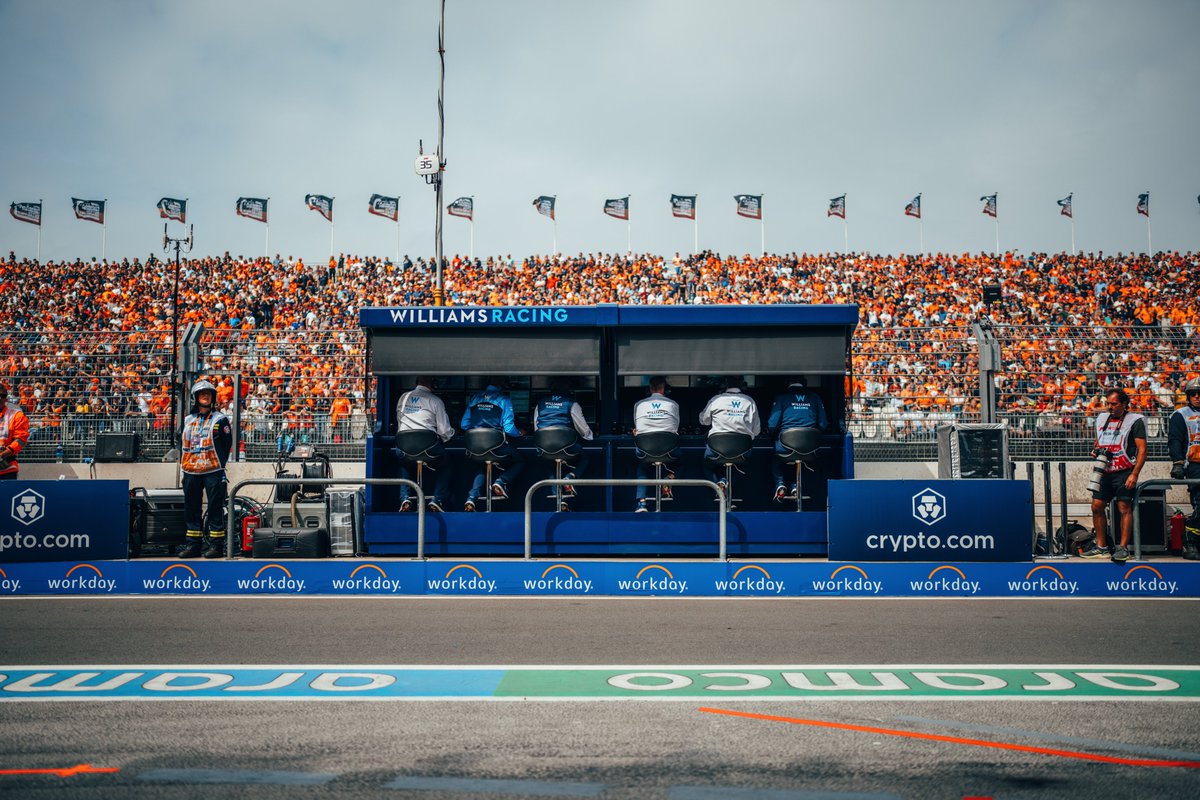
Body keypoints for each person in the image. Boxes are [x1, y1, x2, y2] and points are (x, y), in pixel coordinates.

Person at [1081, 388, 1147, 563]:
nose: (1110, 407)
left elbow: (1142, 450)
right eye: (1108, 403)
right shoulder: (1102, 418)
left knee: (1123, 507)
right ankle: (1101, 547)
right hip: (1105, 471)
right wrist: (1096, 450)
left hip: (1125, 471)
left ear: (1124, 404)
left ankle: (1123, 548)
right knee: (1096, 506)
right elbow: (1100, 440)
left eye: (1114, 404)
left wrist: (1135, 473)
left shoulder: (1135, 420)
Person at [179, 379, 233, 559]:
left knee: (215, 509)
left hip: (213, 472)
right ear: (195, 398)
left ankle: (216, 546)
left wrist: (220, 465)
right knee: (191, 509)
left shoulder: (220, 419)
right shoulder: (188, 420)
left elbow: (227, 444)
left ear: (213, 398)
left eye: (208, 394)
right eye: (202, 394)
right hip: (191, 472)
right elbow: (181, 442)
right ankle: (193, 545)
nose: (205, 396)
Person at [460, 378, 524, 511]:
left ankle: (471, 498)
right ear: (501, 383)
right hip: (496, 447)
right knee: (520, 460)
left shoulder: (475, 398)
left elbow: (464, 424)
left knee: (483, 464)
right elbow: (508, 428)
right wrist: (520, 433)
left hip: (474, 448)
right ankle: (501, 481)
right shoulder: (503, 399)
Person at [394, 376, 455, 513]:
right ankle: (437, 499)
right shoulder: (435, 401)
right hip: (428, 449)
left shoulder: (403, 397)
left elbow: (400, 421)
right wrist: (452, 434)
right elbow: (444, 431)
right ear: (433, 384)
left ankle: (405, 497)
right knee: (447, 464)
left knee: (403, 462)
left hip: (404, 448)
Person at [532, 378, 593, 511]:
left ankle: (559, 499)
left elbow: (537, 428)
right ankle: (570, 477)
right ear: (569, 390)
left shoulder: (540, 404)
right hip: (567, 447)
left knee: (547, 462)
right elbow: (584, 430)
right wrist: (591, 436)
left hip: (544, 448)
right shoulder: (572, 404)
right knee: (585, 456)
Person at [767, 377, 828, 502]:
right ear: (804, 383)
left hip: (785, 447)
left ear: (787, 383)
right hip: (809, 447)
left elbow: (772, 425)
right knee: (805, 460)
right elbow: (823, 424)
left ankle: (780, 484)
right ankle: (796, 486)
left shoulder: (782, 397)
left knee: (775, 459)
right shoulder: (815, 397)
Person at [699, 376, 761, 491]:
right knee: (744, 465)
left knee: (706, 464)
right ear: (743, 385)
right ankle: (725, 482)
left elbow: (704, 421)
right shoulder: (749, 401)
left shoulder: (716, 399)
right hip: (742, 451)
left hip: (716, 449)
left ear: (725, 385)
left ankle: (718, 485)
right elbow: (757, 430)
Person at [632, 376, 680, 512]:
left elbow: (638, 427)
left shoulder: (639, 404)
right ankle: (669, 478)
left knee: (642, 466)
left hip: (645, 450)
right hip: (668, 450)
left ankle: (641, 503)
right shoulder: (673, 404)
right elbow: (675, 428)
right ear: (664, 388)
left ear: (649, 389)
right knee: (683, 460)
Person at [1167, 377, 1200, 559]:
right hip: (1195, 465)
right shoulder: (1181, 415)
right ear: (1187, 396)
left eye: (1199, 393)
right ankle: (1190, 541)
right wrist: (1178, 463)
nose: (1197, 397)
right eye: (1193, 394)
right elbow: (1175, 441)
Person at [0, 384, 30, 480]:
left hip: (6, 469)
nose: (0, 398)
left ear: (6, 398)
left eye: (3, 396)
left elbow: (20, 439)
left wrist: (2, 455)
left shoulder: (17, 415)